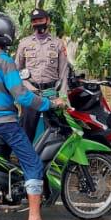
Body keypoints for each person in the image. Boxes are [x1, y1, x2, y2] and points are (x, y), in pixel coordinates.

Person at [0, 12, 65, 220]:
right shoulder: (5, 61)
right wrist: (48, 103)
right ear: (6, 34)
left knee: (1, 163)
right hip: (3, 122)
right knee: (33, 164)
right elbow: (22, 96)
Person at [15, 8, 69, 141]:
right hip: (31, 93)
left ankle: (50, 160)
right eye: (34, 21)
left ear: (47, 20)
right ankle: (25, 160)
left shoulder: (58, 43)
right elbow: (16, 69)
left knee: (56, 131)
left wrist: (62, 96)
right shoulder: (24, 43)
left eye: (40, 20)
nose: (37, 23)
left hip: (51, 93)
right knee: (27, 131)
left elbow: (63, 72)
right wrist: (26, 87)